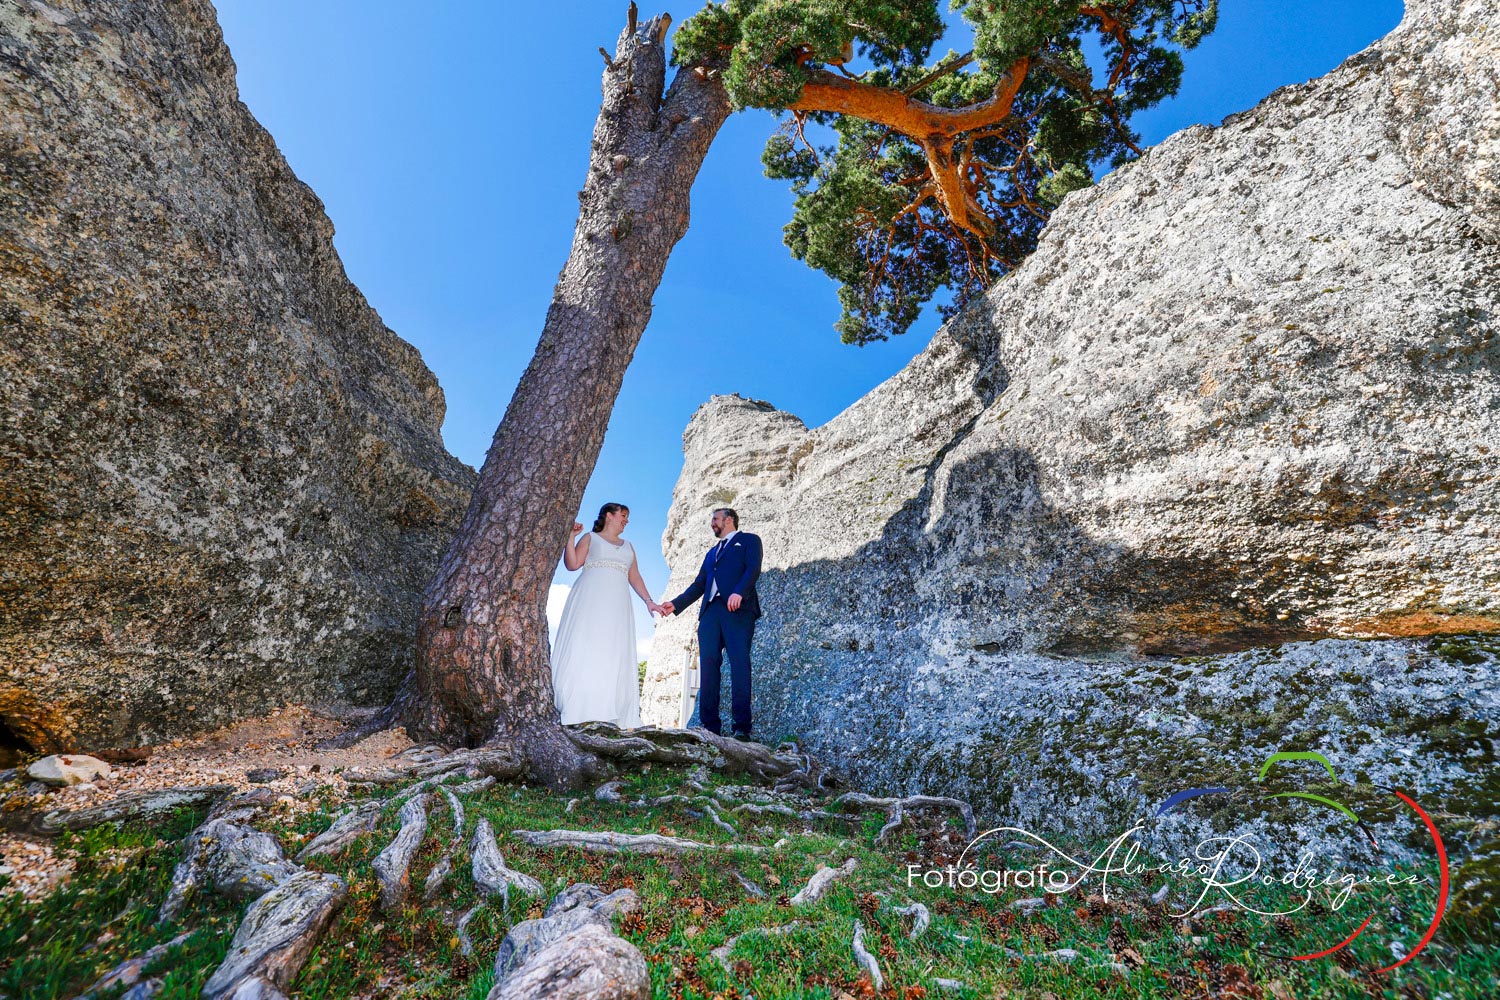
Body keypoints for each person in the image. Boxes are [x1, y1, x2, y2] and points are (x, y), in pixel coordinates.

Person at [551, 502, 662, 728]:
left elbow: (636, 577)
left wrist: (649, 602)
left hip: (618, 603)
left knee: (613, 648)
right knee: (586, 644)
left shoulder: (629, 546)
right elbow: (572, 564)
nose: (626, 520)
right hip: (589, 599)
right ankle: (581, 706)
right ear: (609, 516)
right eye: (623, 515)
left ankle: (611, 709)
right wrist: (570, 537)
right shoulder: (591, 538)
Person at [659, 507, 762, 739]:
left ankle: (742, 728)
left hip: (738, 609)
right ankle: (709, 728)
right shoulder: (711, 553)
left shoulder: (749, 540)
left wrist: (739, 592)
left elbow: (753, 569)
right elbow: (699, 584)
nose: (712, 523)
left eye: (715, 519)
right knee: (708, 667)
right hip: (710, 613)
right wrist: (676, 604)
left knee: (739, 664)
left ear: (729, 520)